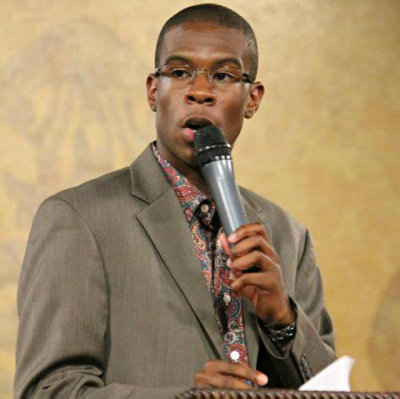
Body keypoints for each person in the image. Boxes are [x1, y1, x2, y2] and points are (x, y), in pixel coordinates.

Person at [15, 4, 336, 399]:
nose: (199, 91)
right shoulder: (79, 219)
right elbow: (47, 391)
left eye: (222, 75)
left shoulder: (289, 236)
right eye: (180, 72)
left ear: (252, 99)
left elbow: (329, 390)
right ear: (154, 90)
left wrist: (282, 320)